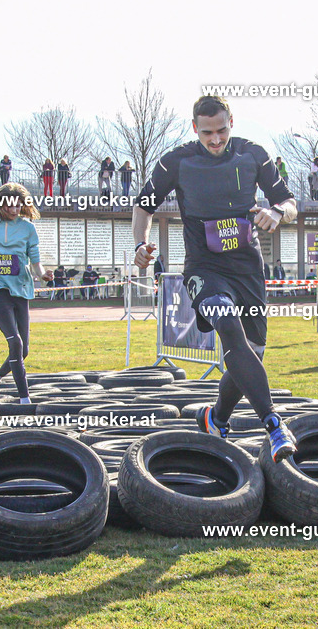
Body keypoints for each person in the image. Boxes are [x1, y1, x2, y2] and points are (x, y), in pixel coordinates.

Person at [132, 95, 299, 462]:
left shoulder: (253, 154)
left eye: (221, 130)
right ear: (195, 128)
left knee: (252, 353)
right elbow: (143, 205)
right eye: (207, 133)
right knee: (228, 327)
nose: (215, 139)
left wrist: (276, 212)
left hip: (247, 270)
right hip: (204, 269)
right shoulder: (177, 161)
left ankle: (216, 418)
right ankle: (274, 425)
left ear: (231, 123)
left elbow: (290, 203)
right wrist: (140, 244)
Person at [0, 182, 54, 404]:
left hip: (21, 289)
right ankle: (25, 399)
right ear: (1, 205)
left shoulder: (28, 228)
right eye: (10, 206)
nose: (15, 210)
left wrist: (43, 275)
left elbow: (35, 261)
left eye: (18, 205)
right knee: (14, 342)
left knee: (23, 350)